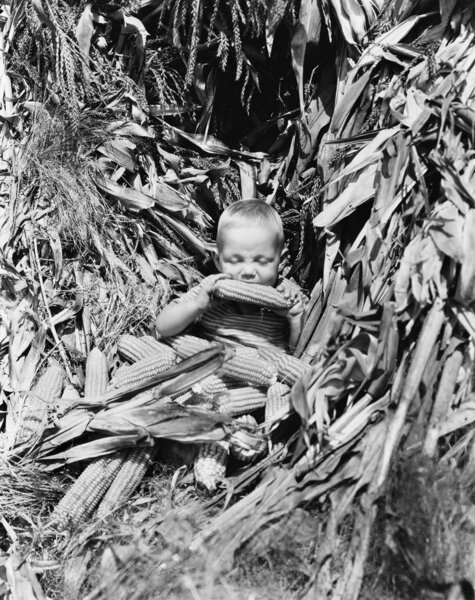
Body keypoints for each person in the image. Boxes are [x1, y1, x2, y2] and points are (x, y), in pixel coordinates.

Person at [155, 199, 307, 353]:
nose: (248, 272)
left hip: (265, 372)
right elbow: (163, 327)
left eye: (261, 261)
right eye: (235, 261)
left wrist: (295, 319)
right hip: (211, 366)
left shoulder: (291, 298)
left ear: (281, 261)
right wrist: (197, 306)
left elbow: (301, 354)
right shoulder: (210, 290)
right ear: (218, 261)